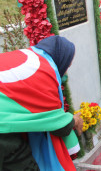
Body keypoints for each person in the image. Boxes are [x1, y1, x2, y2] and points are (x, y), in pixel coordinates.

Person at [0, 35, 83, 171]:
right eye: (68, 65)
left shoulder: (30, 57)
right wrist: (73, 121)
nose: (66, 70)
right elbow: (58, 126)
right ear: (61, 59)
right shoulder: (44, 71)